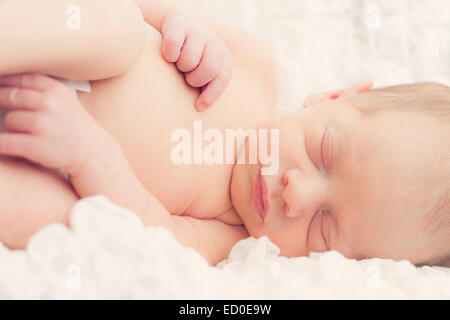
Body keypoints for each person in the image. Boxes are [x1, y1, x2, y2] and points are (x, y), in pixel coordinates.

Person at [0, 0, 448, 267]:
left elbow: (151, 232)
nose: (297, 194)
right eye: (325, 152)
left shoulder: (230, 237)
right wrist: (177, 21)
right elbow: (147, 11)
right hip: (53, 49)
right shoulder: (253, 66)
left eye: (324, 228)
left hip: (43, 155)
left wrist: (88, 155)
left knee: (64, 218)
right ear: (332, 97)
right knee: (118, 28)